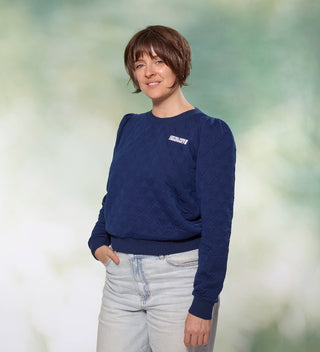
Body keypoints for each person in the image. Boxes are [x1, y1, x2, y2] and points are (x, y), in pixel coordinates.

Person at [88, 25, 236, 352]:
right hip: (120, 281)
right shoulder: (130, 125)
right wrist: (98, 238)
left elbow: (217, 224)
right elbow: (117, 192)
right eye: (140, 65)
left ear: (179, 63)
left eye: (158, 61)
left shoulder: (210, 132)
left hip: (178, 282)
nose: (149, 72)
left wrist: (203, 303)